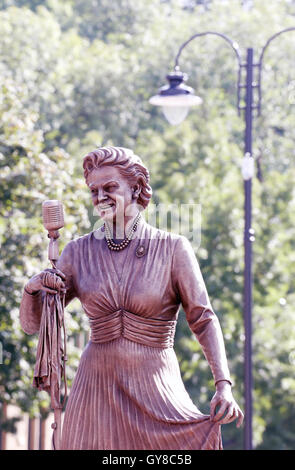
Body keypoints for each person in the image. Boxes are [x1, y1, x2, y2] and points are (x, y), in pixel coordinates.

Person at [19, 146, 243, 450]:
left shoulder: (173, 249)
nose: (100, 197)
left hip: (155, 386)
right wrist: (32, 289)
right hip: (95, 389)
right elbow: (35, 326)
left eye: (110, 187)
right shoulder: (76, 252)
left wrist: (223, 386)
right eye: (94, 190)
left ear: (136, 188)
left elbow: (203, 319)